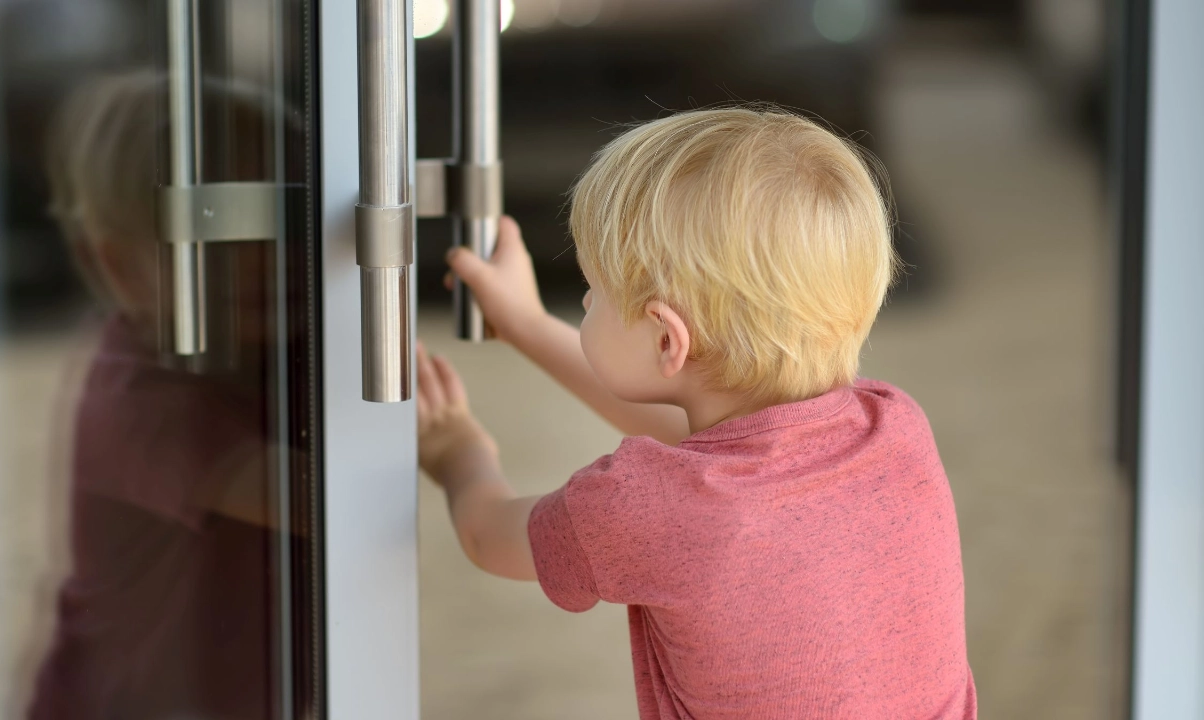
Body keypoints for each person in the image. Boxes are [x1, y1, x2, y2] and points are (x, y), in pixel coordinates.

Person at [416, 107, 977, 719]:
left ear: (665, 338)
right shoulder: (894, 426)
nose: (582, 300)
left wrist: (457, 451)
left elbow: (485, 535)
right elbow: (716, 459)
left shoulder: (636, 508)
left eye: (593, 291)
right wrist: (526, 326)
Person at [28, 70, 298, 720]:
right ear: (117, 265)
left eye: (285, 224)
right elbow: (319, 500)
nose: (264, 257)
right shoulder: (142, 402)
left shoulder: (265, 346)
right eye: (223, 239)